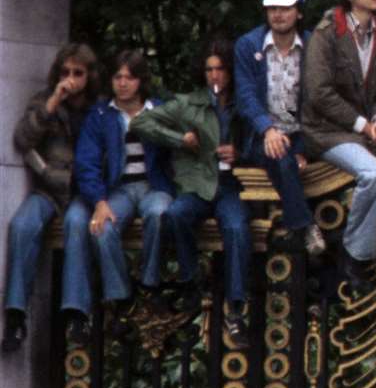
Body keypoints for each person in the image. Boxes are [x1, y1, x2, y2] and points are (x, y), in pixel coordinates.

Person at [132, 42, 253, 344]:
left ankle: (236, 307)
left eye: (220, 69)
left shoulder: (245, 103)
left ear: (230, 72)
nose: (215, 75)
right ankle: (190, 279)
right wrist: (179, 139)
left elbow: (261, 142)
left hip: (230, 186)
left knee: (238, 228)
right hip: (197, 185)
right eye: (209, 69)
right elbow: (141, 122)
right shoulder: (188, 103)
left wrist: (241, 153)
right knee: (175, 214)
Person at [302, 0, 376, 290]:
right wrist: (363, 125)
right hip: (325, 132)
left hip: (361, 132)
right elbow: (318, 93)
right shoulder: (327, 33)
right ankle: (354, 256)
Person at [3, 44, 98, 351]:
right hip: (49, 188)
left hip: (82, 193)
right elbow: (22, 138)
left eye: (77, 73)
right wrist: (52, 104)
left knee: (76, 225)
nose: (70, 79)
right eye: (65, 72)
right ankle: (15, 314)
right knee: (22, 225)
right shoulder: (46, 101)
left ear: (89, 75)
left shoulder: (98, 108)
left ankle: (76, 313)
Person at [67, 49, 174, 317]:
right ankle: (120, 296)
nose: (123, 83)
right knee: (101, 227)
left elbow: (179, 153)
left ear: (141, 81)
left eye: (129, 77)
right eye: (117, 77)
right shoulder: (101, 115)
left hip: (154, 186)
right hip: (119, 189)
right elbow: (86, 163)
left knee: (159, 214)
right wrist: (100, 202)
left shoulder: (160, 111)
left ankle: (150, 284)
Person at [234, 0, 322, 255]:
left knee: (290, 159)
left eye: (285, 7)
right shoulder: (249, 45)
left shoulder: (313, 46)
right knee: (282, 160)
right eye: (272, 8)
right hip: (263, 135)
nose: (278, 14)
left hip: (302, 133)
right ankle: (306, 227)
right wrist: (267, 129)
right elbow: (245, 96)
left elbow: (320, 99)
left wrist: (304, 147)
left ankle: (301, 233)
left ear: (299, 11)